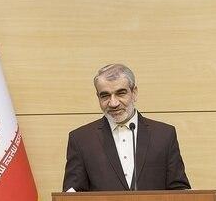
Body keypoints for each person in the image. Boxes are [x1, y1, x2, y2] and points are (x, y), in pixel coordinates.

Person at [62, 63, 191, 191]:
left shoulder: (164, 135)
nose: (113, 103)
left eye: (120, 93)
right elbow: (72, 194)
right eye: (105, 95)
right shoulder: (81, 139)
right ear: (98, 97)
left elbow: (179, 189)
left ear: (134, 93)